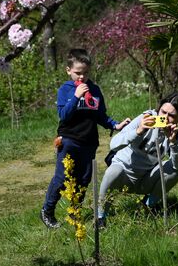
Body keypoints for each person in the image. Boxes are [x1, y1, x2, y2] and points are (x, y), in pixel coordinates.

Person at [40, 48, 131, 229]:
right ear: (68, 70)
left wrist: (115, 125)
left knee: (84, 179)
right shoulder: (65, 90)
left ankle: (75, 214)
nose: (82, 77)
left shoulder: (95, 90)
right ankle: (47, 210)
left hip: (89, 142)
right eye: (77, 73)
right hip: (68, 139)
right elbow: (63, 115)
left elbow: (100, 116)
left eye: (86, 73)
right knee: (62, 178)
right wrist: (76, 96)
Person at [97, 91, 178, 228]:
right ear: (158, 109)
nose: (165, 117)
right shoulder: (145, 119)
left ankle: (146, 207)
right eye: (163, 112)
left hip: (145, 179)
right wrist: (138, 131)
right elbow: (113, 144)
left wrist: (172, 143)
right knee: (112, 171)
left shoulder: (176, 136)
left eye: (172, 116)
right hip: (123, 175)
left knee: (175, 171)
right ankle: (100, 217)